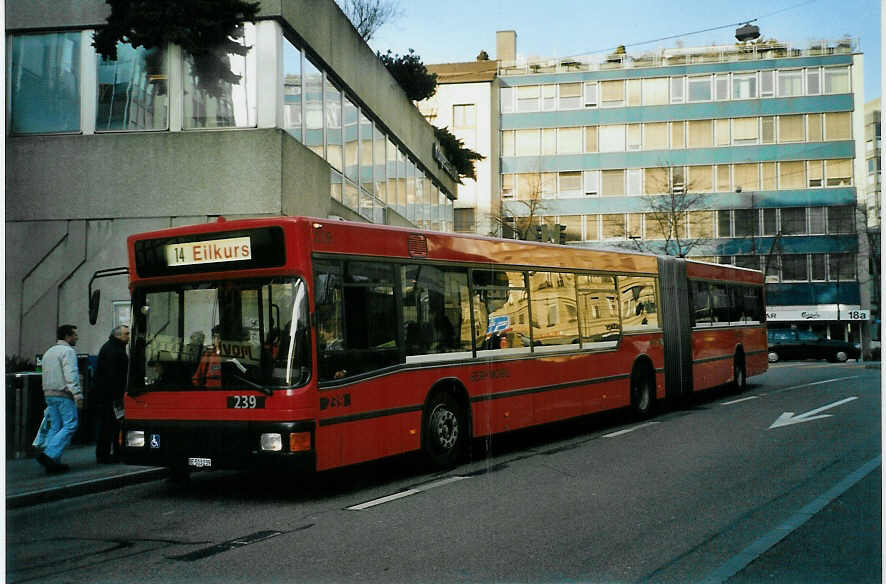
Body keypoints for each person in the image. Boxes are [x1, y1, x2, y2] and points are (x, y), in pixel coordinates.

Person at [37, 324, 83, 474]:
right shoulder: (68, 351)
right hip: (64, 394)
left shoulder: (49, 352)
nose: (77, 337)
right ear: (68, 336)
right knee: (71, 424)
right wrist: (77, 394)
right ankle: (49, 455)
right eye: (75, 335)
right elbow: (71, 374)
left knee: (55, 427)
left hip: (49, 394)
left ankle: (53, 462)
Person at [93, 324, 130, 463]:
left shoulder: (112, 347)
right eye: (126, 334)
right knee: (110, 425)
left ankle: (107, 453)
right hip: (110, 395)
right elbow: (112, 375)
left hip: (107, 394)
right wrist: (118, 396)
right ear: (118, 335)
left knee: (109, 425)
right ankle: (107, 454)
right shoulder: (115, 350)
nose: (128, 337)